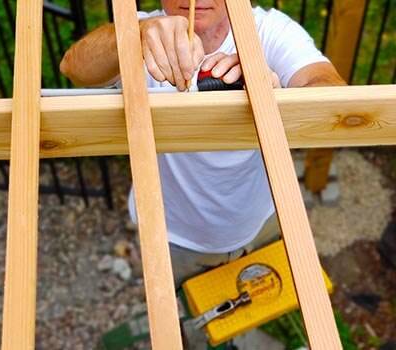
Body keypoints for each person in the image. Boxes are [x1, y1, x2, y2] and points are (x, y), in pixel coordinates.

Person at [60, 1, 345, 288]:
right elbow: (74, 66)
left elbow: (333, 99)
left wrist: (275, 94)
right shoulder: (146, 30)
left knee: (257, 291)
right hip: (168, 230)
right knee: (178, 308)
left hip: (260, 218)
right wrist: (135, 32)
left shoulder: (268, 30)